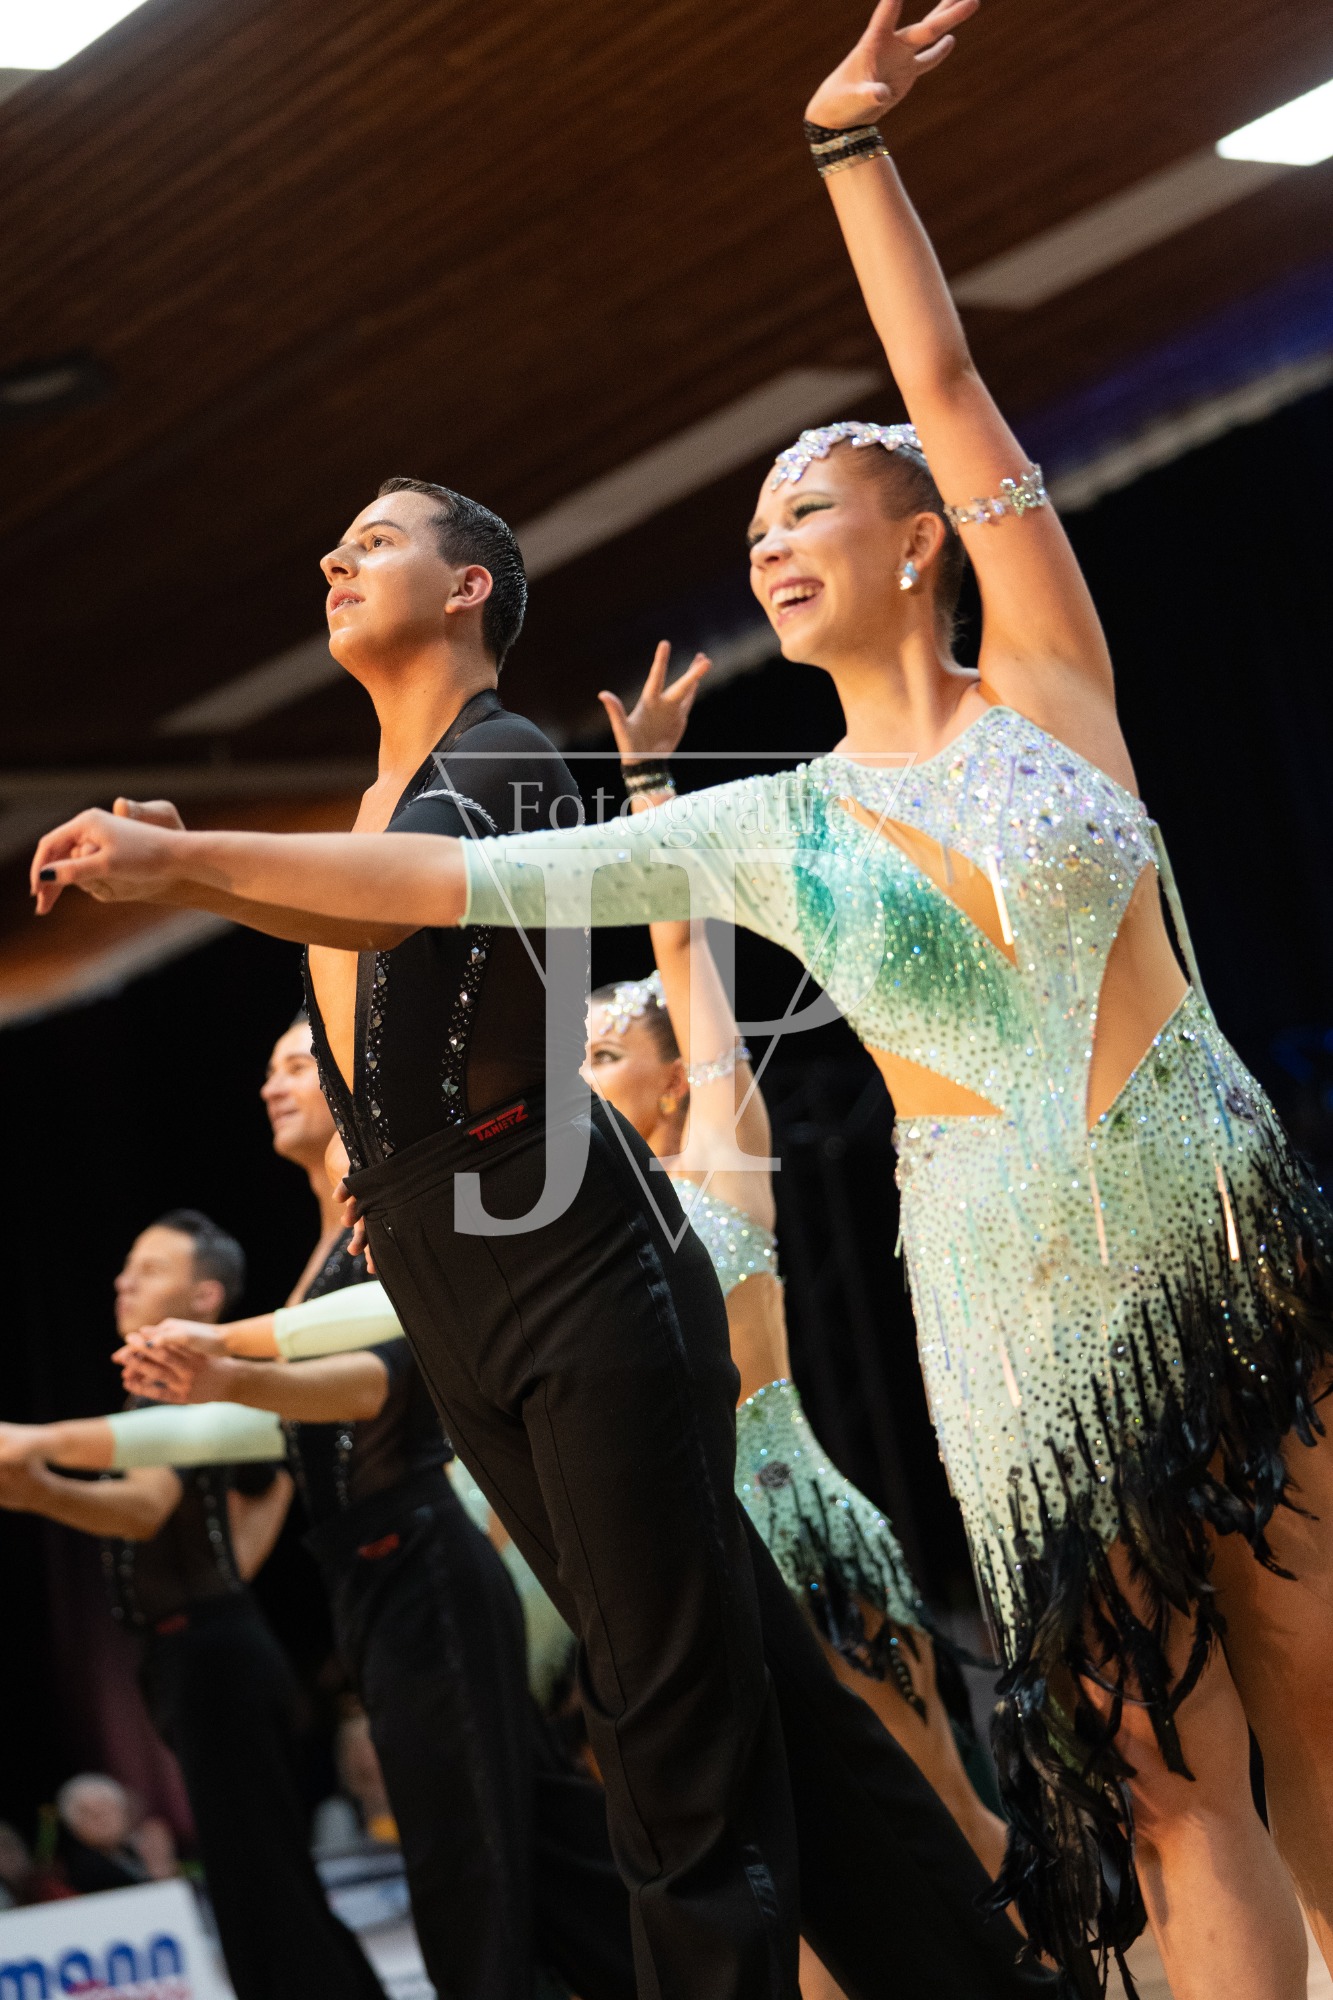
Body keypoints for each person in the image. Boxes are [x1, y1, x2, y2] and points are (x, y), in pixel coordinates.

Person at [39, 5, 1333, 1993]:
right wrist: (193, 860)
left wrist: (848, 149)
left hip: (1215, 1236)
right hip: (1007, 1307)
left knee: (1315, 1690)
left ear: (922, 537)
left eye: (802, 516)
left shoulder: (1052, 681)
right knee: (1162, 1772)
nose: (770, 548)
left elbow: (946, 378)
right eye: (752, 536)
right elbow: (449, 883)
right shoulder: (768, 828)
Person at [24, 424, 1056, 1999]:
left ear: (468, 593)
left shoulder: (505, 758)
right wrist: (189, 869)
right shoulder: (378, 805)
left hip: (569, 1262)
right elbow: (345, 908)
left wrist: (181, 858)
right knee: (761, 1703)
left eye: (377, 538)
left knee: (663, 1720)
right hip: (460, 1281)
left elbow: (405, 897)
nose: (334, 558)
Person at [582, 649, 1005, 1891]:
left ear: (674, 1081)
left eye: (605, 1053)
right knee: (786, 1869)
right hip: (685, 1557)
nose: (582, 1071)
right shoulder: (579, 1216)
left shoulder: (721, 1156)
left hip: (793, 1520)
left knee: (938, 1815)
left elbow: (687, 952)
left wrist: (649, 784)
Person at [116, 1011, 638, 2000]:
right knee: (545, 1847)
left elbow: (377, 1382)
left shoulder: (378, 1212)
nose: (272, 1085)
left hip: (416, 1553)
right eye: (268, 1068)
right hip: (381, 1566)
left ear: (346, 1083)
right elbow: (280, 1422)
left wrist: (226, 1369)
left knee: (464, 1863)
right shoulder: (325, 1243)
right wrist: (60, 1446)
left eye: (296, 1066)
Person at [0, 1213, 385, 2000]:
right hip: (205, 1649)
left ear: (205, 1297)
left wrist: (35, 1486)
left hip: (213, 1656)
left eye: (148, 1269)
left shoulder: (178, 1388)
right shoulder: (170, 1392)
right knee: (257, 1875)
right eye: (127, 1267)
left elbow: (146, 1508)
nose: (123, 1281)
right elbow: (265, 1488)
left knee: (261, 1880)